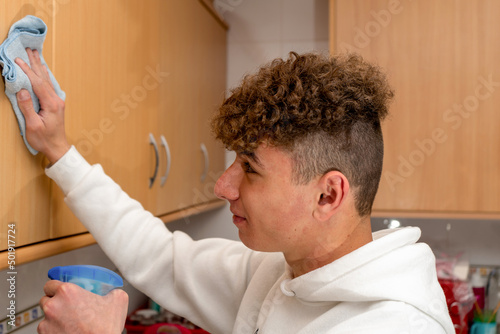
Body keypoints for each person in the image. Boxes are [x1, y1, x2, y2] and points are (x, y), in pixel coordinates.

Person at [15, 48, 454, 333]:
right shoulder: (281, 275)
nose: (222, 185)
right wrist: (59, 151)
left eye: (249, 168)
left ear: (328, 196)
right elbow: (161, 258)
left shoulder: (391, 324)